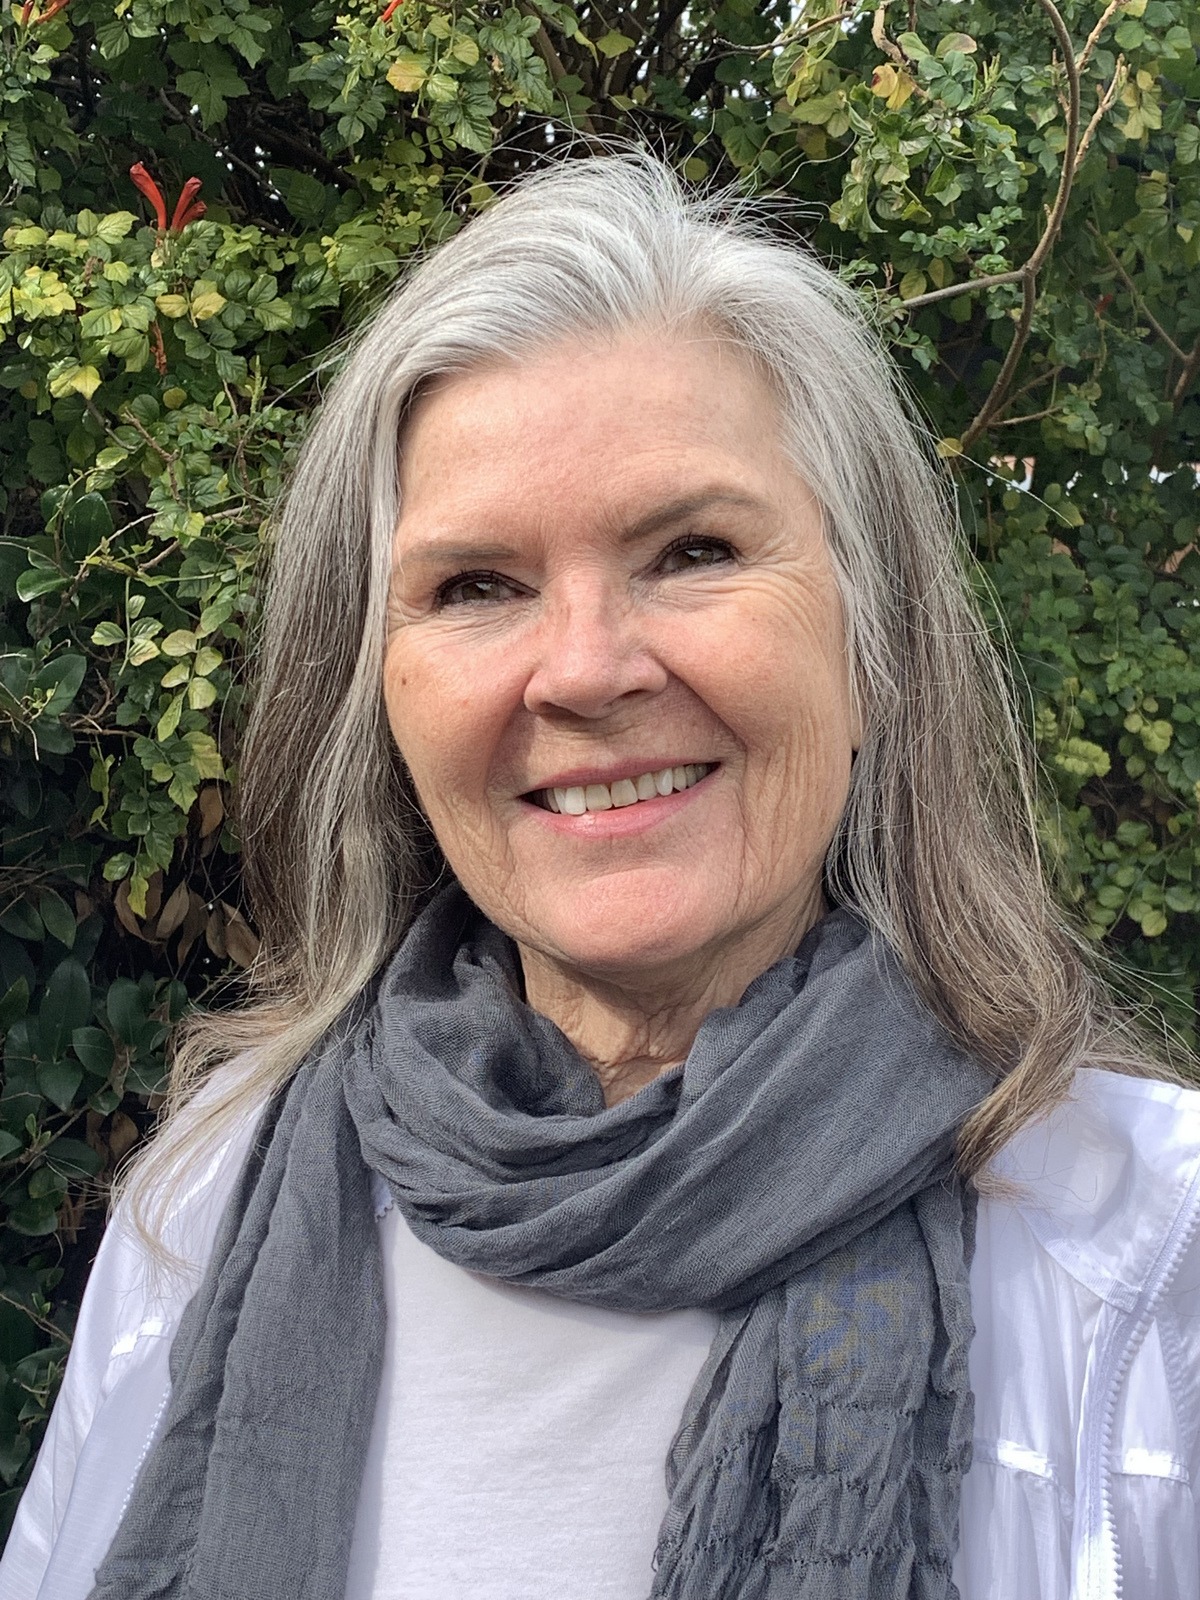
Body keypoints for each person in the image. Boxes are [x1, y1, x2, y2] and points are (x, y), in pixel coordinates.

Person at [2, 149, 1199, 1600]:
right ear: (379, 688)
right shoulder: (205, 1216)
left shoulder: (1147, 1268)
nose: (582, 670)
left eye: (692, 550)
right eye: (477, 586)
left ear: (874, 638)